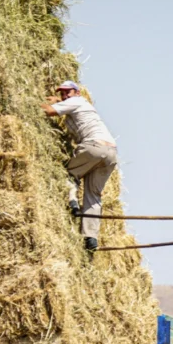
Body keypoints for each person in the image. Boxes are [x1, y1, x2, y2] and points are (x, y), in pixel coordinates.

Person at [40, 81, 118, 252]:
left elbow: (49, 111)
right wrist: (57, 100)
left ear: (77, 92)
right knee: (93, 194)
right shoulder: (81, 104)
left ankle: (72, 202)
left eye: (68, 92)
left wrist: (30, 102)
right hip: (111, 153)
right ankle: (91, 237)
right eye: (62, 93)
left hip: (93, 147)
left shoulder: (78, 101)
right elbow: (62, 105)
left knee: (68, 174)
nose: (64, 95)